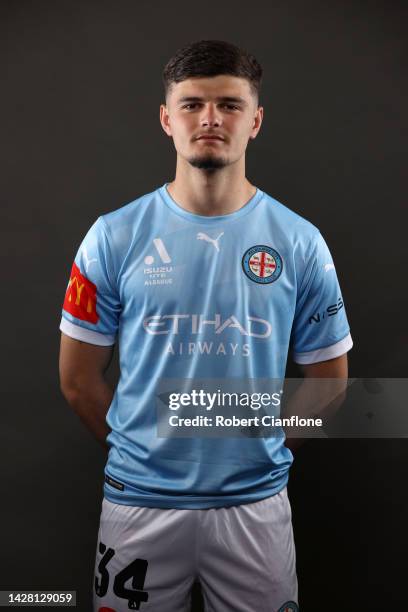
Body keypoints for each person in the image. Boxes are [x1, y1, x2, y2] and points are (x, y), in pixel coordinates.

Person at [59, 39, 352, 612]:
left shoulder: (300, 242)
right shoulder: (113, 237)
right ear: (167, 119)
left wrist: (259, 447)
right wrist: (143, 455)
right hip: (138, 506)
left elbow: (330, 382)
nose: (211, 119)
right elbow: (78, 381)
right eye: (192, 104)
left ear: (256, 120)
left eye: (229, 104)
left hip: (254, 510)